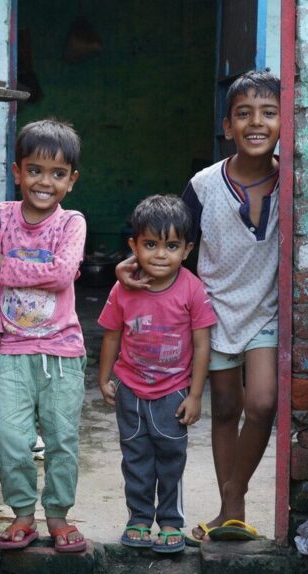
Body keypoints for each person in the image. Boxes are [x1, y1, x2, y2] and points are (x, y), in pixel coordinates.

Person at [116, 70, 281, 543]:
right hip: (212, 308)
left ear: (283, 123)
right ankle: (232, 513)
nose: (256, 122)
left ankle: (234, 496)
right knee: (226, 407)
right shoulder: (205, 185)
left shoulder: (293, 181)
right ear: (227, 126)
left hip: (264, 309)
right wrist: (132, 266)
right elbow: (173, 239)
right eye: (243, 113)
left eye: (269, 113)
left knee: (264, 402)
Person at [0, 118, 88, 553]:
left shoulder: (71, 223)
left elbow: (61, 275)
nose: (45, 182)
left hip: (61, 352)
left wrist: (4, 264)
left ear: (71, 181)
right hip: (13, 350)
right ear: (17, 172)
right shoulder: (0, 219)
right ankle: (23, 515)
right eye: (36, 170)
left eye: (58, 174)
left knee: (62, 440)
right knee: (9, 438)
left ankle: (58, 515)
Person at [98, 195, 216, 553]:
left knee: (170, 458)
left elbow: (201, 345)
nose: (161, 255)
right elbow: (112, 334)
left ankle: (169, 521)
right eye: (150, 245)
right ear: (133, 246)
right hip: (130, 390)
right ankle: (138, 518)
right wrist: (104, 378)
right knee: (135, 457)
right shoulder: (123, 288)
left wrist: (195, 395)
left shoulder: (192, 289)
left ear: (187, 249)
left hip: (173, 393)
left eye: (172, 245)